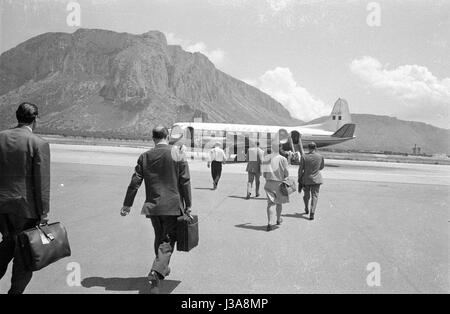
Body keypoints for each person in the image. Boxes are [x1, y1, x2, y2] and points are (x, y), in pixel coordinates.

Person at [120, 126, 192, 291]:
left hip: (153, 207)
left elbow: (135, 182)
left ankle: (162, 267)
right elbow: (185, 181)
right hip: (173, 206)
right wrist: (188, 205)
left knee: (159, 237)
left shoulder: (145, 156)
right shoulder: (177, 154)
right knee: (167, 240)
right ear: (167, 136)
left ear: (153, 138)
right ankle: (156, 272)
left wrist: (127, 205)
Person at [0, 102, 50, 294]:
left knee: (9, 242)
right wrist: (43, 212)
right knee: (24, 258)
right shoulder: (38, 143)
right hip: (25, 209)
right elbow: (42, 183)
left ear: (16, 116)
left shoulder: (1, 137)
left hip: (2, 208)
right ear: (35, 118)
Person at [262, 140, 290, 232]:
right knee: (279, 203)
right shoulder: (283, 159)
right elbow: (286, 173)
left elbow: (264, 173)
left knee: (270, 204)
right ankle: (278, 219)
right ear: (280, 148)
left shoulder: (267, 158)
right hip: (279, 183)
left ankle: (269, 222)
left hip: (269, 182)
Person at [298, 142, 324, 221]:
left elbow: (300, 169)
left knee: (306, 196)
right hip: (316, 180)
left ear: (308, 148)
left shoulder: (304, 156)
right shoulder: (320, 156)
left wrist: (299, 179)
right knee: (315, 196)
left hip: (306, 179)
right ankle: (312, 213)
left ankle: (306, 208)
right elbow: (321, 167)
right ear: (315, 147)